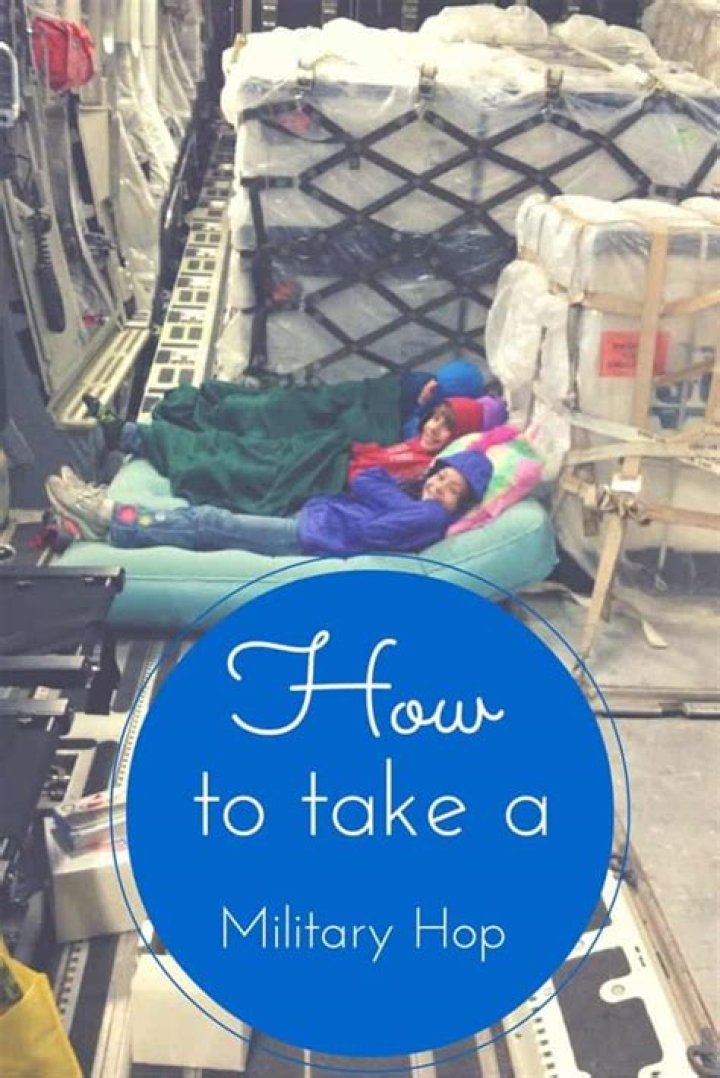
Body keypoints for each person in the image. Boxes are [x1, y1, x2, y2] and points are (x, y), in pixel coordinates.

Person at [44, 450, 493, 557]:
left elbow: (374, 528)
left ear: (461, 503)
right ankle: (109, 525)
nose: (439, 487)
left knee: (211, 522)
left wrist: (396, 499)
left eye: (453, 489)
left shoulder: (431, 514)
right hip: (314, 522)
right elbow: (366, 478)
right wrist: (398, 495)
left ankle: (109, 514)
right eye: (441, 476)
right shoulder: (416, 501)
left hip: (312, 536)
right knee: (212, 519)